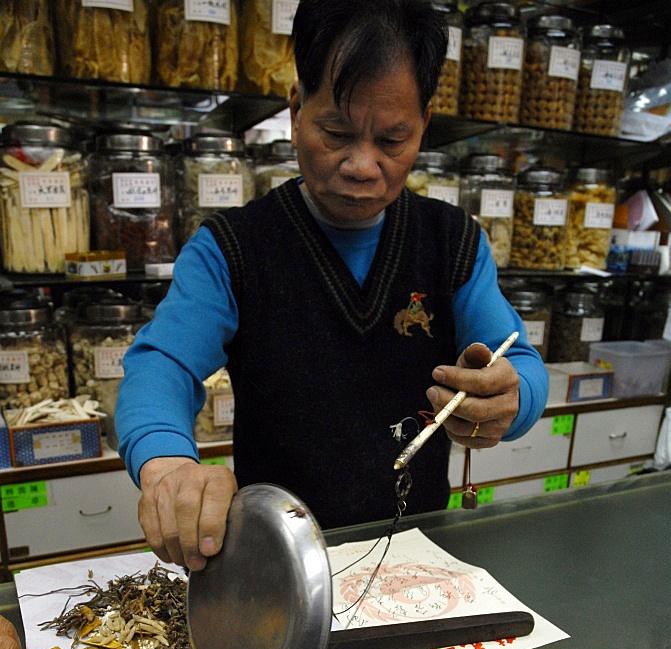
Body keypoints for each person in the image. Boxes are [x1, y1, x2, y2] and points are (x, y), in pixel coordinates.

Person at [115, 0, 549, 572]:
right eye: (337, 131)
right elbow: (160, 365)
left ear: (425, 122)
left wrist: (511, 397)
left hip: (418, 555)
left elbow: (518, 360)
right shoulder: (233, 248)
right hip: (277, 563)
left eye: (393, 140)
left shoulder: (452, 242)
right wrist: (169, 470)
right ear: (296, 110)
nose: (362, 166)